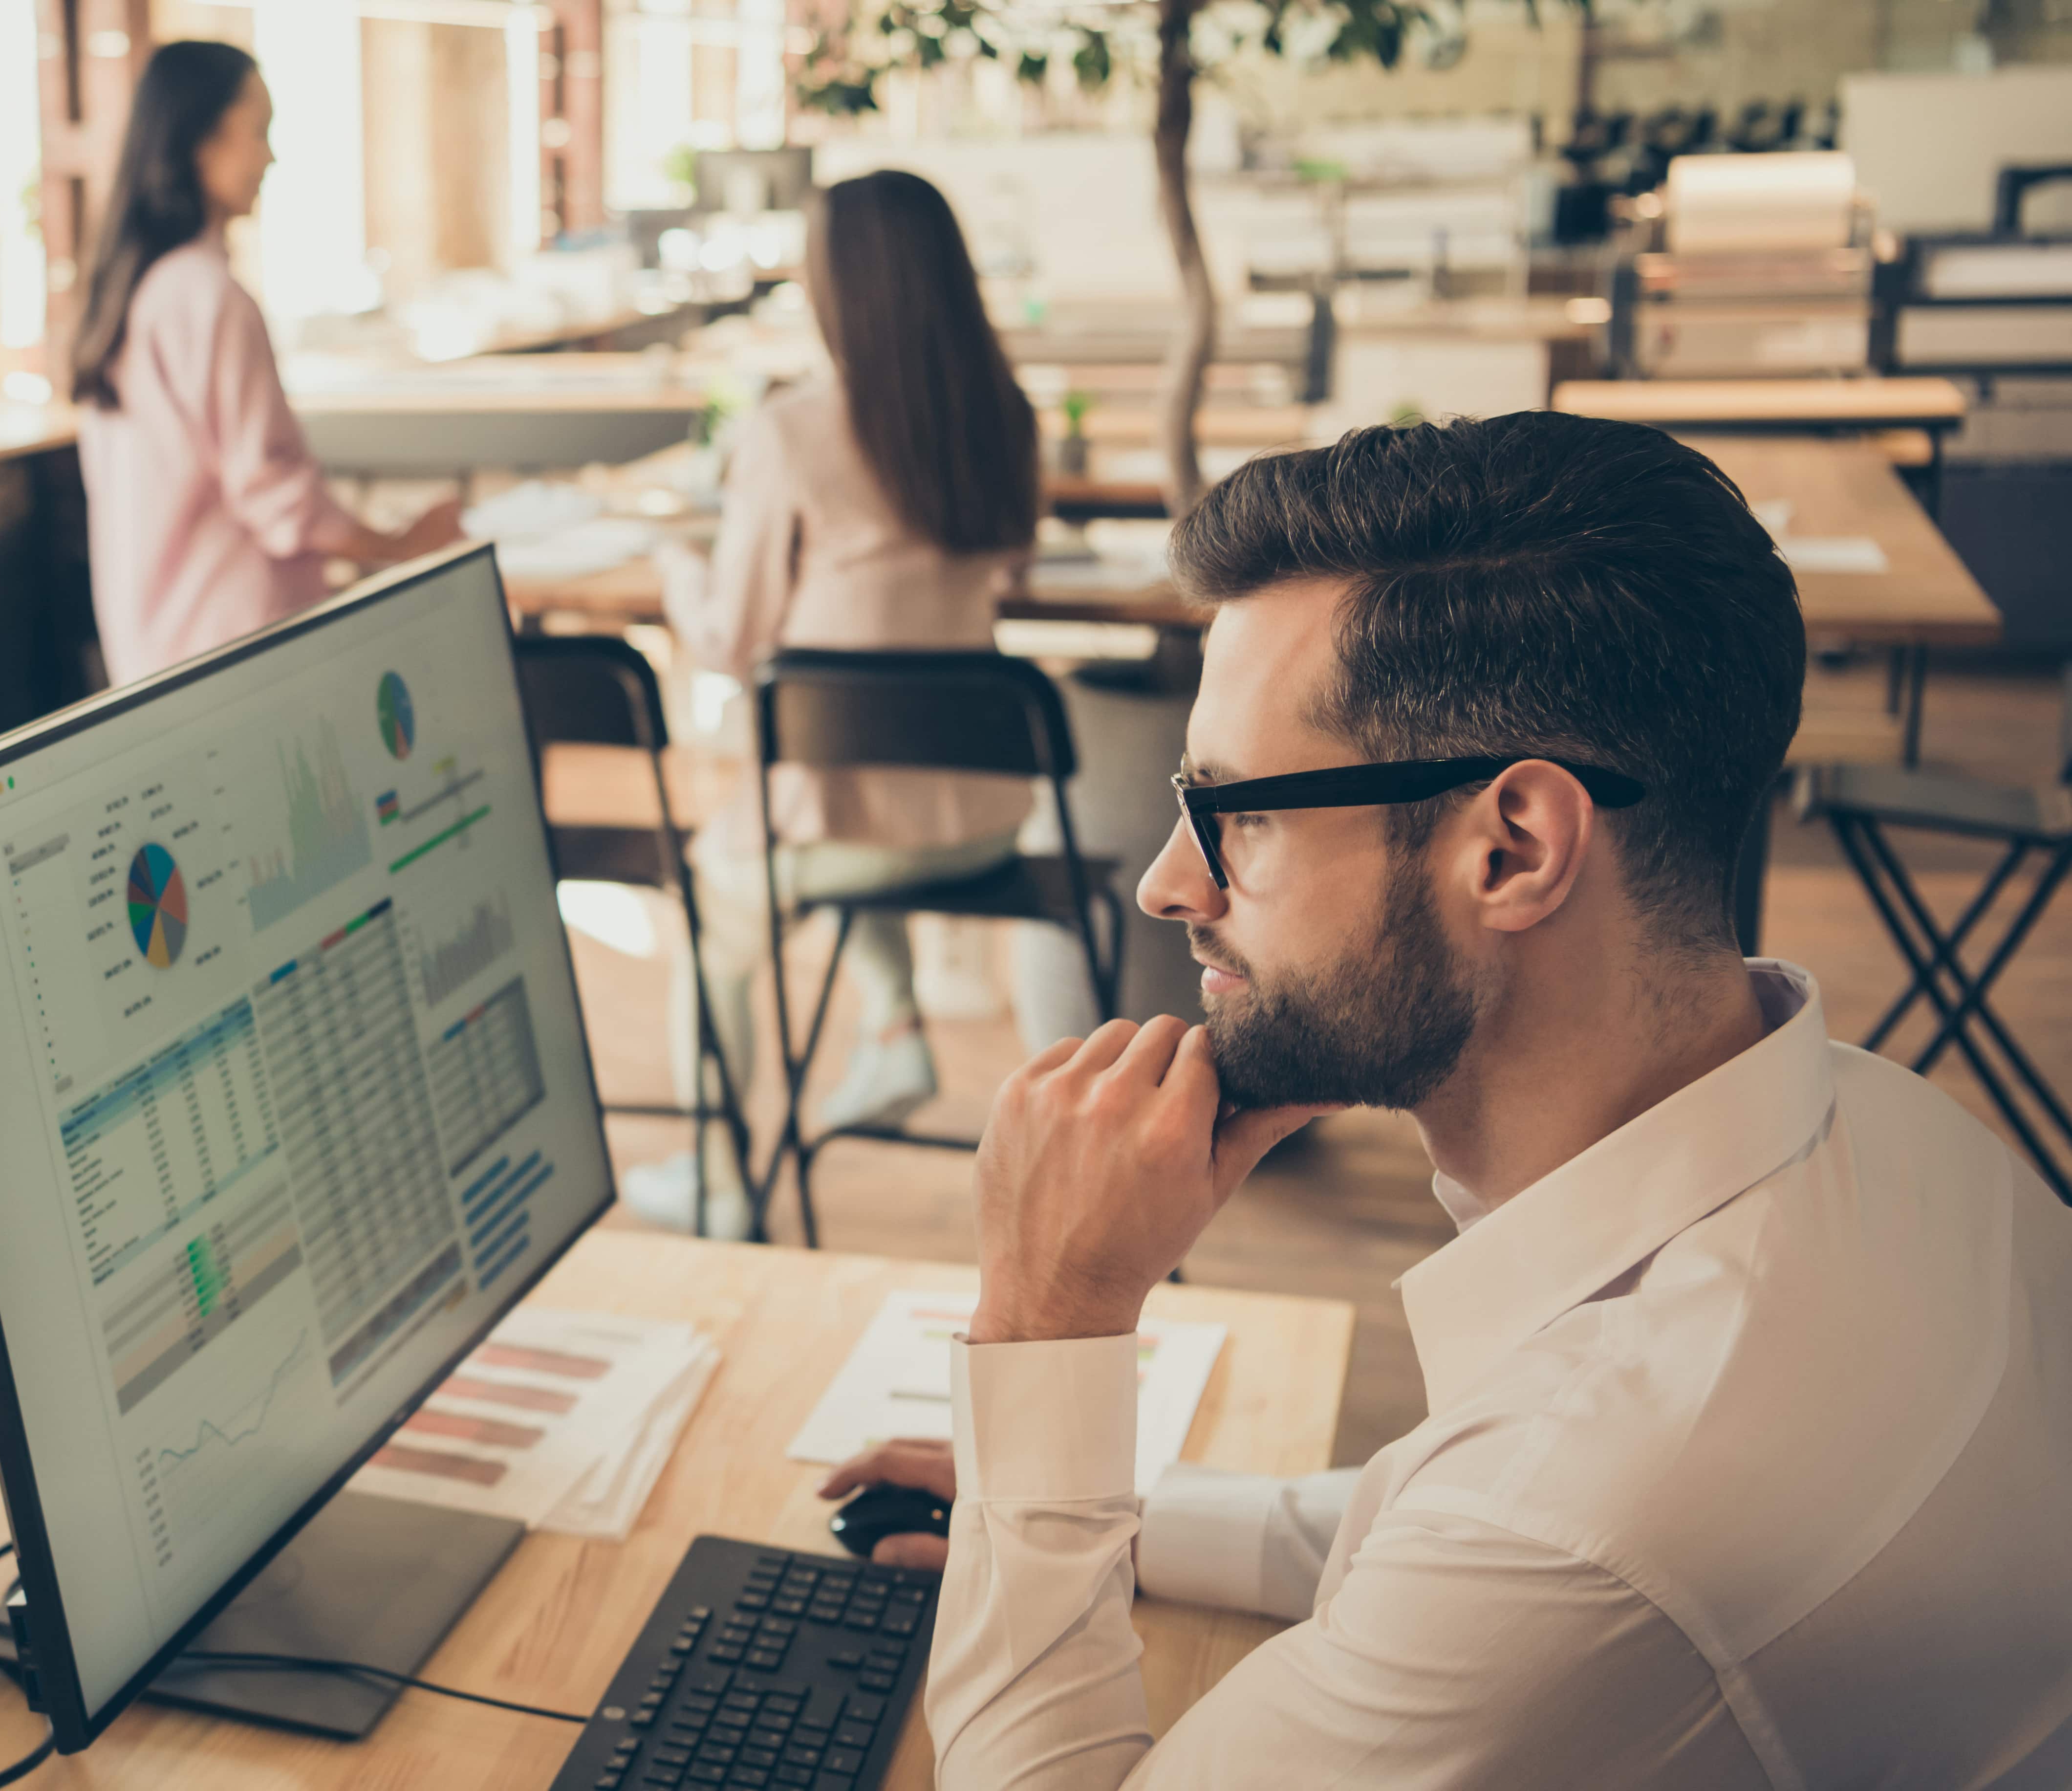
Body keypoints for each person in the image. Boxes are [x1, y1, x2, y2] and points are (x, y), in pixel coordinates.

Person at [819, 413, 2072, 1784]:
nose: (1168, 885)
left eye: (1240, 812)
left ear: (1514, 848)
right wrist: (1083, 1506)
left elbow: (1542, 1551)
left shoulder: (1597, 1527)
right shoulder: (1900, 1132)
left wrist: (1049, 1326)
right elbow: (1445, 1523)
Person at [655, 167, 1062, 1203]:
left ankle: (715, 1182)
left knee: (721, 893)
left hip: (851, 828)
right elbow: (1007, 558)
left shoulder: (788, 431)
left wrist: (675, 565)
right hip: (983, 820)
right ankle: (891, 1027)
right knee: (828, 793)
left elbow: (729, 643)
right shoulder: (1004, 419)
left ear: (839, 288)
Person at [70, 41, 460, 685]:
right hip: (232, 638)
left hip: (156, 638)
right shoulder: (207, 295)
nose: (270, 157)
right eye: (259, 133)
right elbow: (272, 492)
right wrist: (399, 546)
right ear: (200, 141)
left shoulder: (134, 291)